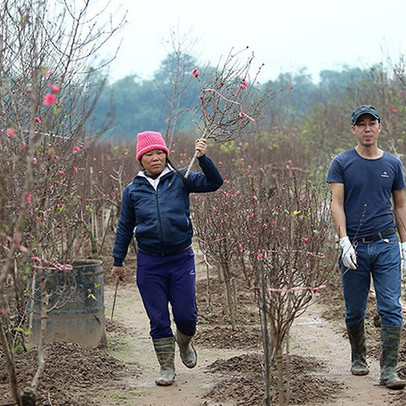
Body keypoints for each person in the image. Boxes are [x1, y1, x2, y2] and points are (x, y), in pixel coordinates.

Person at [111, 131, 223, 386]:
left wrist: (204, 158)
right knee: (158, 317)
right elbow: (125, 226)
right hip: (149, 263)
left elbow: (214, 182)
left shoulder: (181, 178)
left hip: (180, 259)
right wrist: (118, 261)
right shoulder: (132, 191)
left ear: (166, 155)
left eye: (159, 153)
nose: (155, 158)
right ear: (141, 159)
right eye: (149, 154)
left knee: (186, 316)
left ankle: (184, 342)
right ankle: (166, 367)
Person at [326, 105, 406, 390]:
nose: (367, 128)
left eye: (372, 123)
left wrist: (404, 243)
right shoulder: (342, 162)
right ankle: (358, 356)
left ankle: (388, 370)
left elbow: (399, 205)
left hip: (386, 245)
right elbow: (336, 202)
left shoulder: (393, 165)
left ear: (380, 127)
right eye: (361, 124)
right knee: (354, 310)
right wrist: (343, 239)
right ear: (354, 130)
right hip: (355, 246)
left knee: (391, 307)